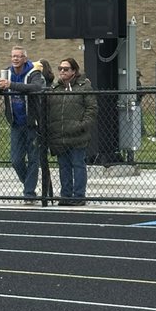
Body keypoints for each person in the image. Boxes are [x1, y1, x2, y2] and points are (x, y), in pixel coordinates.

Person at [0, 46, 46, 203]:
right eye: (13, 56)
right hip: (16, 123)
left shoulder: (34, 73)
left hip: (32, 123)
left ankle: (29, 193)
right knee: (16, 160)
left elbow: (36, 88)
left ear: (25, 58)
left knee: (33, 158)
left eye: (18, 56)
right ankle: (29, 186)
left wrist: (12, 86)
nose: (15, 59)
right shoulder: (6, 73)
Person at [46, 57, 97, 205]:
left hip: (77, 134)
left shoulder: (84, 87)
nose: (62, 71)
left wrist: (83, 125)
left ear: (74, 71)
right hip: (59, 134)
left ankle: (79, 196)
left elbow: (91, 108)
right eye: (60, 68)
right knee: (64, 166)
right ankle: (66, 195)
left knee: (78, 164)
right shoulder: (54, 88)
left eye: (66, 69)